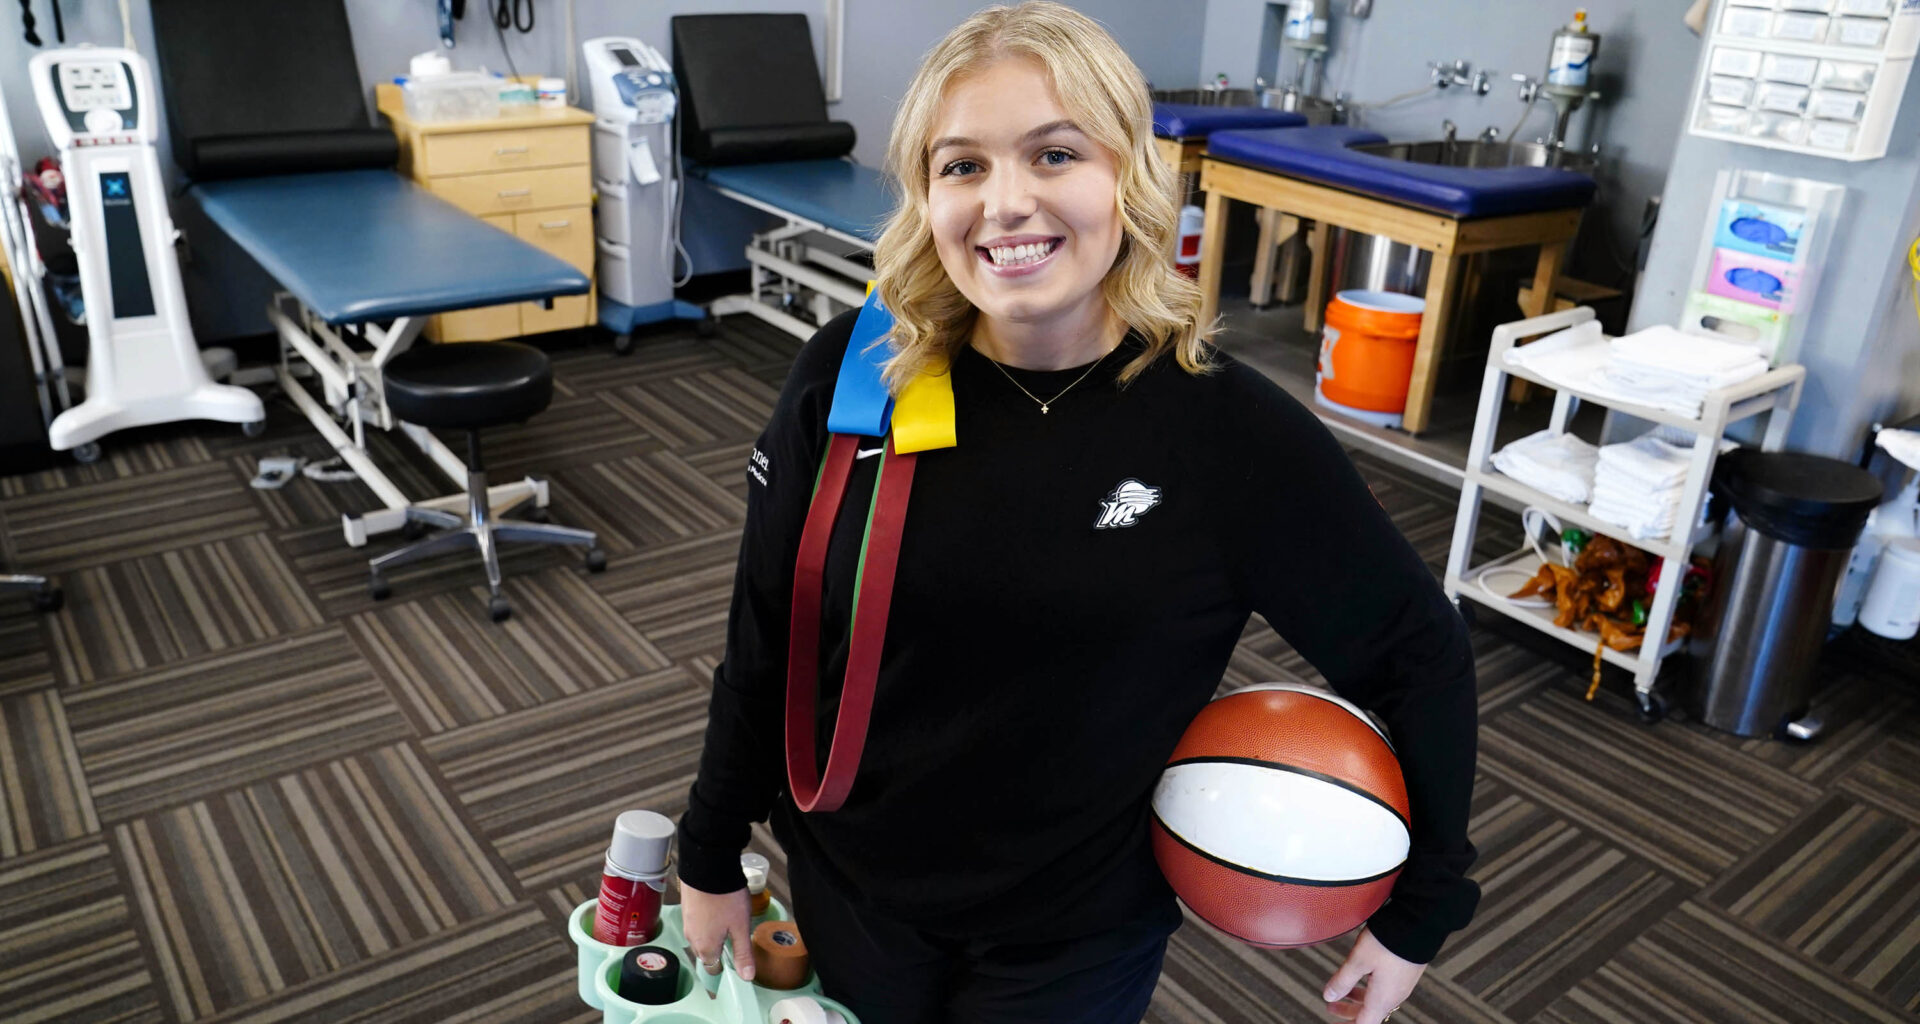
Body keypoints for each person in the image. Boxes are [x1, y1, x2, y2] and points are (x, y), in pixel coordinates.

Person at [676, 4, 1479, 1022]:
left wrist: (1424, 909)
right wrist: (708, 850)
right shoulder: (855, 373)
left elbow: (1418, 654)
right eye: (960, 165)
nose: (1004, 203)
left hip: (1074, 933)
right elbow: (768, 629)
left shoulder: (1225, 434)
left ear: (1126, 178)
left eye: (1053, 154)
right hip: (851, 884)